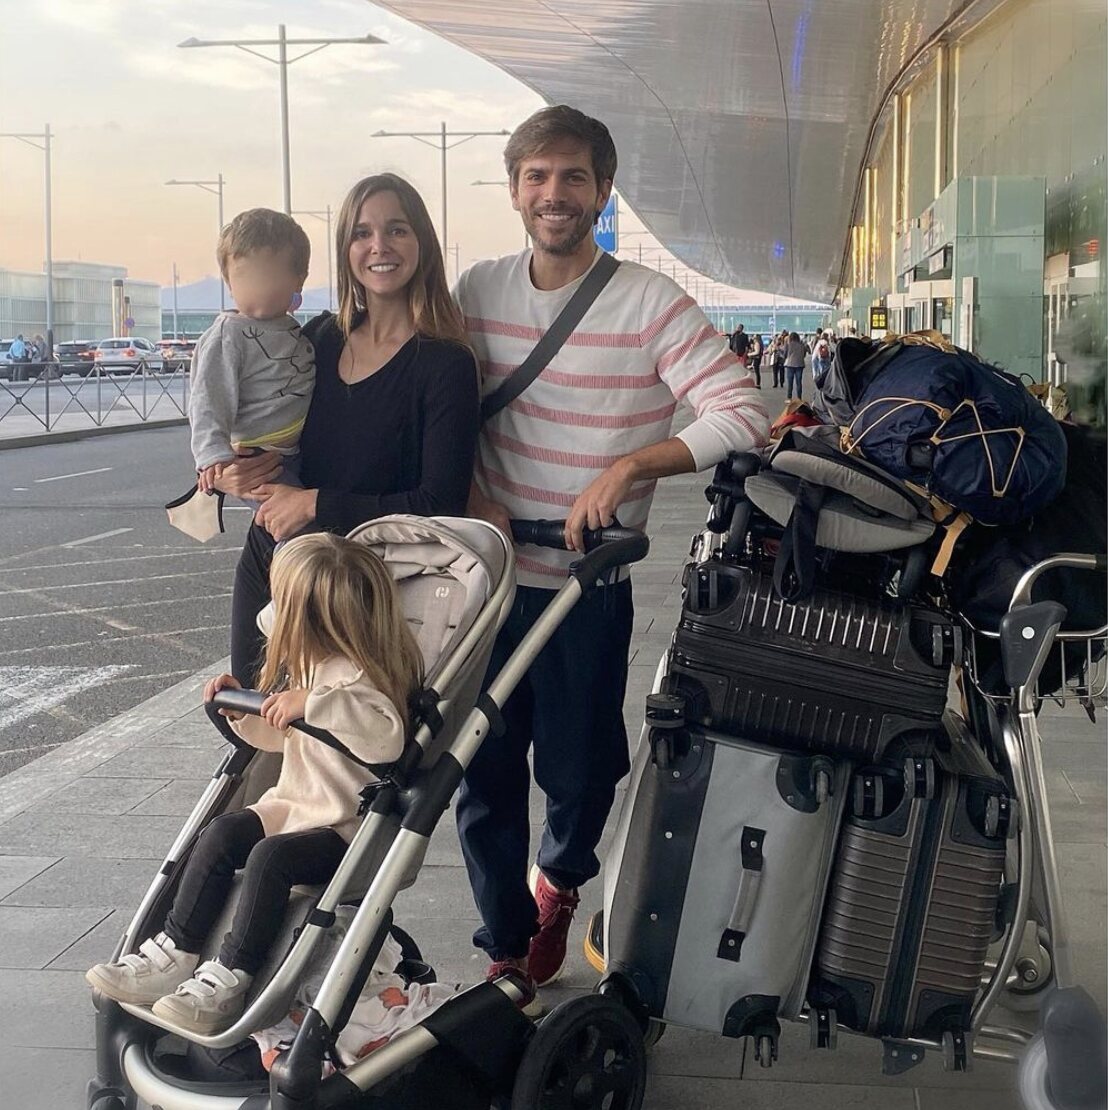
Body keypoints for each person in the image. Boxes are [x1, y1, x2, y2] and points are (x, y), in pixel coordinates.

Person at [455, 104, 770, 1010]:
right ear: (516, 189)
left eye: (575, 178)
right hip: (487, 584)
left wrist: (633, 464)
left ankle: (559, 877)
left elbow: (740, 409)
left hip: (585, 589)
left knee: (582, 766)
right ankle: (507, 944)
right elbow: (428, 394)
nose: (555, 194)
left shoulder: (648, 303)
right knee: (479, 769)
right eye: (538, 177)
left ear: (601, 191)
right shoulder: (475, 292)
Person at [85, 533, 423, 1035]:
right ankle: (177, 951)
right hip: (293, 807)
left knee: (270, 859)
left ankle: (232, 974)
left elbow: (386, 741)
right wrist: (238, 708)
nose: (272, 618)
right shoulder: (312, 662)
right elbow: (281, 738)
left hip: (344, 830)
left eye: (284, 607)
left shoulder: (360, 680)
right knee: (221, 833)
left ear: (311, 619)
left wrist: (313, 703)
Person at [215, 174, 481, 687]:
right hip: (272, 559)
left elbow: (439, 502)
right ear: (345, 250)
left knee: (335, 747)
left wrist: (316, 503)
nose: (379, 246)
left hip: (363, 590)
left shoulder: (445, 363)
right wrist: (233, 471)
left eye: (396, 230)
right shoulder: (316, 339)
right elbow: (254, 423)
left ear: (421, 242)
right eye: (362, 233)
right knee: (249, 722)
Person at [188, 209, 316, 503]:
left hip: (294, 449)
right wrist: (212, 455)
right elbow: (208, 398)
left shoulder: (294, 329)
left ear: (299, 278)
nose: (257, 287)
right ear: (228, 280)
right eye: (245, 276)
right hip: (256, 457)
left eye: (269, 275)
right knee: (292, 526)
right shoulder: (228, 335)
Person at [784, 330, 809, 400]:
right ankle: (799, 398)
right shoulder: (802, 345)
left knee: (790, 382)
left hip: (790, 365)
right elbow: (804, 354)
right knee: (799, 382)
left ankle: (789, 398)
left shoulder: (788, 345)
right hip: (800, 364)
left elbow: (785, 354)